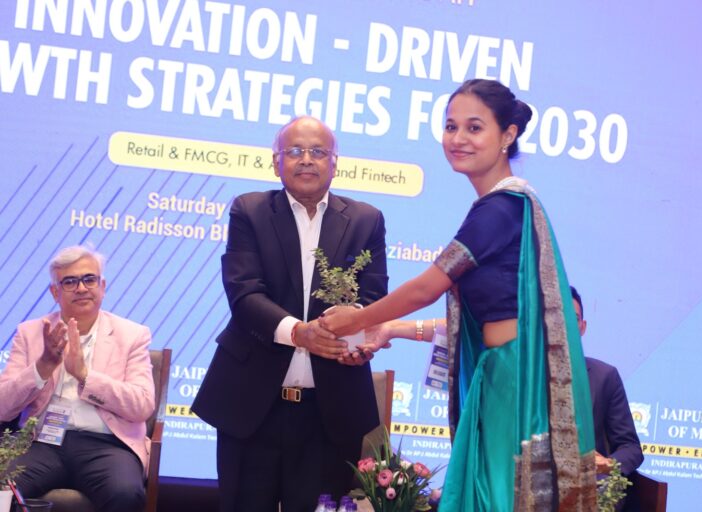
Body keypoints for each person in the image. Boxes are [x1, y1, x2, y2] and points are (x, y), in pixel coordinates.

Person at [322, 79, 597, 511]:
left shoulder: (502, 208)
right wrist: (388, 328)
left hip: (511, 379)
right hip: (501, 372)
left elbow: (428, 287)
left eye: (474, 127)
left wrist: (354, 320)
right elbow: (482, 314)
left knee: (499, 498)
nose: (458, 138)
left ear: (507, 135)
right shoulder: (500, 206)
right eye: (451, 127)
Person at [191, 116, 389, 512]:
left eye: (318, 151)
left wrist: (354, 335)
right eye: (295, 151)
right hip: (252, 406)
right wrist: (299, 333)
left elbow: (372, 299)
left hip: (328, 413)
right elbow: (244, 293)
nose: (306, 160)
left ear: (335, 163)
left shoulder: (366, 220)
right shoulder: (250, 210)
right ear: (276, 162)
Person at [0, 245, 155, 512]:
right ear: (55, 292)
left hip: (107, 445)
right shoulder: (30, 333)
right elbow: (3, 408)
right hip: (41, 443)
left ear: (102, 286)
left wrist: (85, 375)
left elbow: (142, 406)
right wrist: (42, 367)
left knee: (125, 493)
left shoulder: (132, 335)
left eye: (89, 279)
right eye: (70, 281)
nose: (82, 288)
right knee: (2, 486)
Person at [571, 286, 643, 478]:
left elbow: (630, 447)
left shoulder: (605, 377)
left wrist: (607, 465)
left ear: (583, 327)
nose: (566, 324)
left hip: (586, 484)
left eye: (573, 318)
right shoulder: (524, 378)